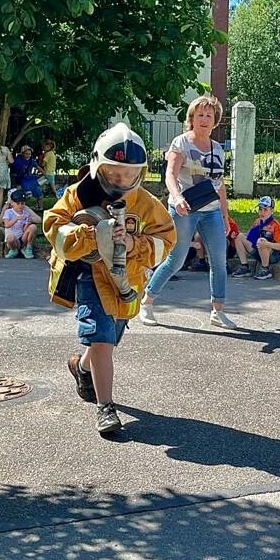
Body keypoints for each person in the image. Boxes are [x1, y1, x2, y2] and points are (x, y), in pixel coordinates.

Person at [43, 123, 176, 433]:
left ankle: (81, 367)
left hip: (126, 283)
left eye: (129, 175)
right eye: (114, 173)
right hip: (90, 276)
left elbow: (166, 238)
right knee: (102, 339)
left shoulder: (145, 203)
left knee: (108, 338)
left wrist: (133, 244)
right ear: (97, 166)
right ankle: (106, 408)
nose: (121, 180)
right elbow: (54, 226)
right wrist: (92, 235)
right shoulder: (79, 194)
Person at [139, 95, 236, 329]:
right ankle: (147, 302)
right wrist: (178, 197)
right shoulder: (181, 143)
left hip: (211, 211)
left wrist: (225, 216)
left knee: (219, 261)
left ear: (216, 121)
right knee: (176, 259)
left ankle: (218, 310)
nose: (204, 119)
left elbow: (219, 185)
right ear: (192, 118)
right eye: (200, 115)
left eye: (209, 115)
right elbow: (170, 175)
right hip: (185, 209)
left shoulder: (218, 149)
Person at [230, 196, 280, 280]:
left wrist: (267, 244)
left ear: (272, 210)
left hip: (273, 255)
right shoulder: (257, 222)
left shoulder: (275, 225)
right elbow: (248, 236)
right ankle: (245, 266)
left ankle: (265, 269)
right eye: (260, 209)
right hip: (258, 251)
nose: (262, 212)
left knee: (261, 240)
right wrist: (236, 235)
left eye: (265, 210)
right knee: (240, 236)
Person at [1, 189, 41, 259]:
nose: (20, 206)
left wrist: (28, 223)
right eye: (18, 203)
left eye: (22, 203)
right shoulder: (8, 212)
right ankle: (14, 250)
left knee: (33, 227)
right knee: (10, 238)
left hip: (22, 238)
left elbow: (24, 229)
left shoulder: (25, 213)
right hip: (13, 238)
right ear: (12, 203)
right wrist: (16, 219)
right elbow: (6, 225)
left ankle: (28, 248)